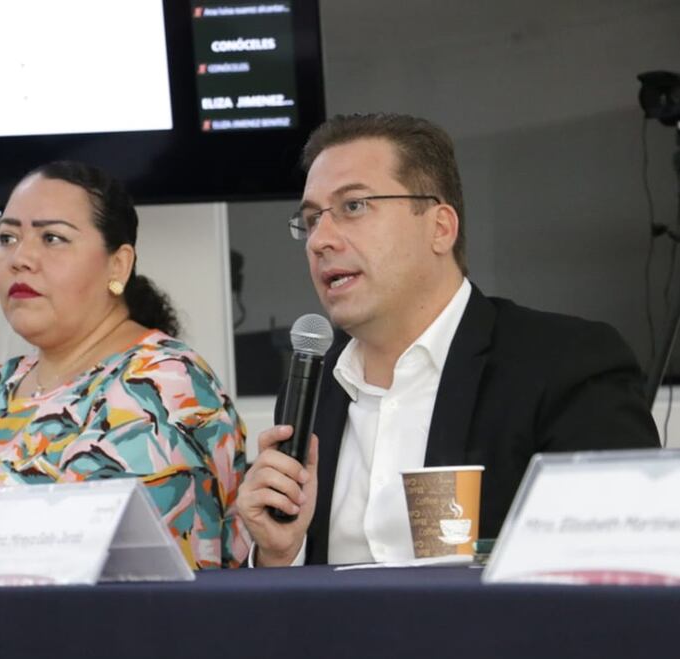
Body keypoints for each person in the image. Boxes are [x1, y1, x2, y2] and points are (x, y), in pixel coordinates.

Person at [237, 113, 660, 567]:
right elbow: (294, 593)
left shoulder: (565, 365)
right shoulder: (310, 392)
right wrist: (277, 554)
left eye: (354, 206)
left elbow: (625, 569)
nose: (320, 240)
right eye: (311, 220)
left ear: (440, 227)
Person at [0, 161, 248, 574]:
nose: (21, 258)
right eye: (8, 238)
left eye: (52, 238)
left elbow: (54, 548)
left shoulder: (164, 381)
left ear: (118, 265)